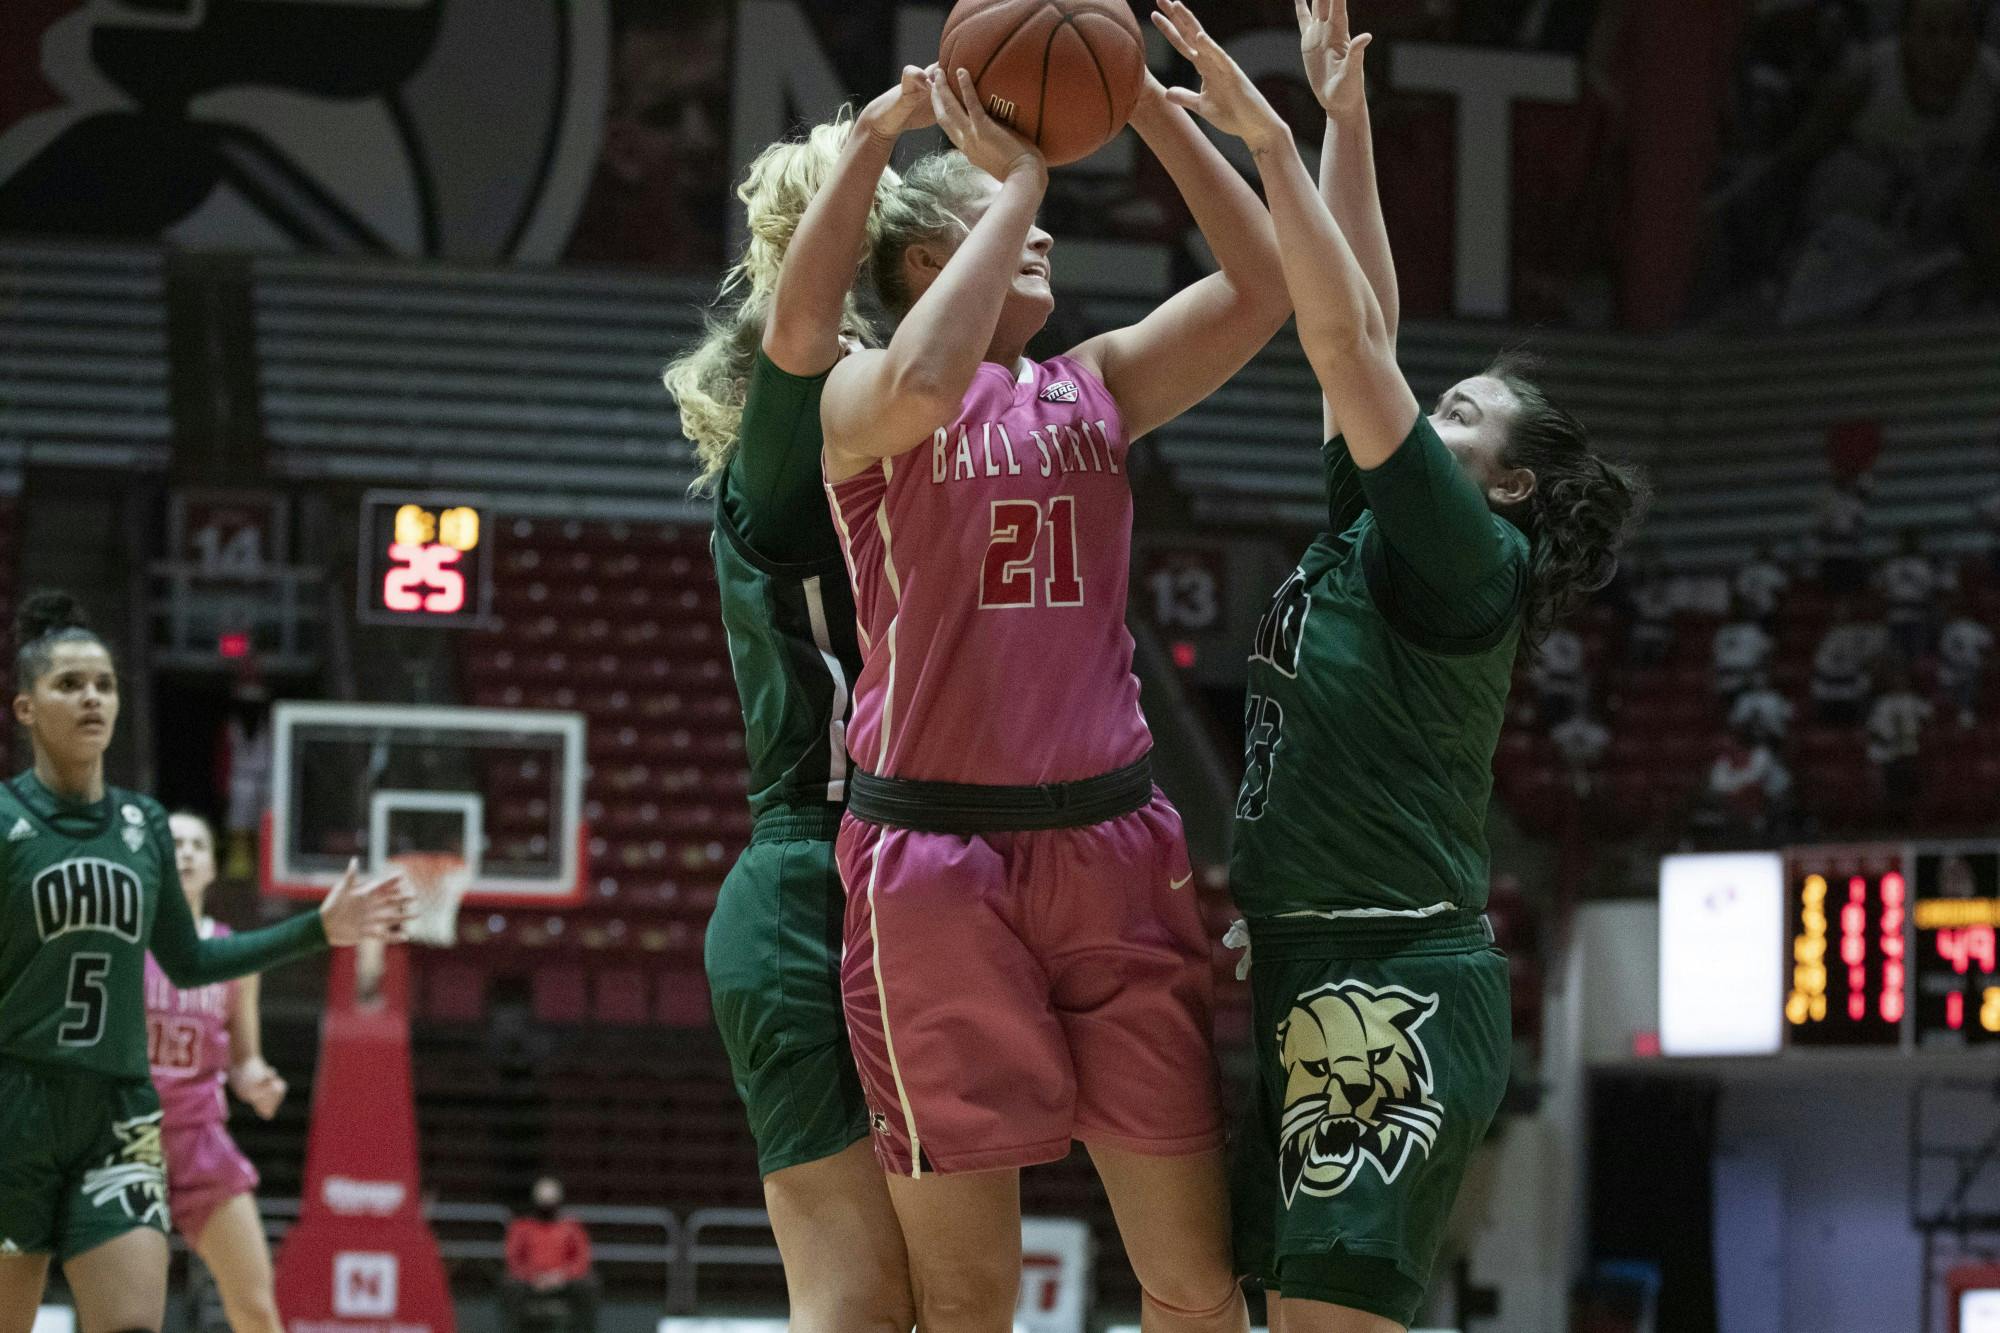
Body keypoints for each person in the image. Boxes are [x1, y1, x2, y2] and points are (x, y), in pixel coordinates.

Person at [1149, 4, 1641, 1329]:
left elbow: (1352, 343)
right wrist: (1346, 120)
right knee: (1223, 1304)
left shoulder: (1464, 553)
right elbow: (1367, 325)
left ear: (1513, 483)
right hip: (1315, 965)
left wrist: (1272, 145)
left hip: (1395, 982)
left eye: (1464, 413)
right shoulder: (1381, 525)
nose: (1433, 411)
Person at [818, 50, 1289, 1330]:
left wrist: (1138, 109)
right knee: (968, 1298)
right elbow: (922, 379)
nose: (1037, 231)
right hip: (931, 858)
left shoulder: (1092, 386)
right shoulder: (866, 400)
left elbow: (1264, 287)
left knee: (1195, 1276)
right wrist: (1019, 172)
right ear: (923, 263)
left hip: (1111, 843)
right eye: (990, 223)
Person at [662, 75, 936, 1333]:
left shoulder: (928, 437)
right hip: (808, 886)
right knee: (858, 1303)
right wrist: (878, 140)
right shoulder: (794, 436)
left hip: (913, 876)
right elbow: (809, 326)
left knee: (941, 1295)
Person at [0, 592, 411, 1333]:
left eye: (105, 683)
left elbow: (189, 961)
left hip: (119, 1116)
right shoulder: (6, 824)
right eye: (68, 684)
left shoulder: (142, 823)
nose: (92, 696)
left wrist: (318, 928)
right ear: (25, 707)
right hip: (14, 1108)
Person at [145, 812, 286, 1333]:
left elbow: (245, 1059)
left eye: (196, 845)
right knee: (131, 1313)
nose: (184, 852)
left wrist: (259, 1083)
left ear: (212, 866)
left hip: (201, 1140)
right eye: (173, 843)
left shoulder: (236, 956)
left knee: (255, 1308)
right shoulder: (123, 945)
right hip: (130, 1146)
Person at [502, 1177, 595, 1333]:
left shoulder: (571, 1226)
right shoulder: (522, 1226)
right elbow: (513, 1259)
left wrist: (562, 1276)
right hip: (530, 1283)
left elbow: (582, 1259)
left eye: (550, 1205)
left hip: (564, 1282)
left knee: (589, 1284)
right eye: (543, 1204)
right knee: (509, 1284)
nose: (547, 1209)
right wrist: (532, 1276)